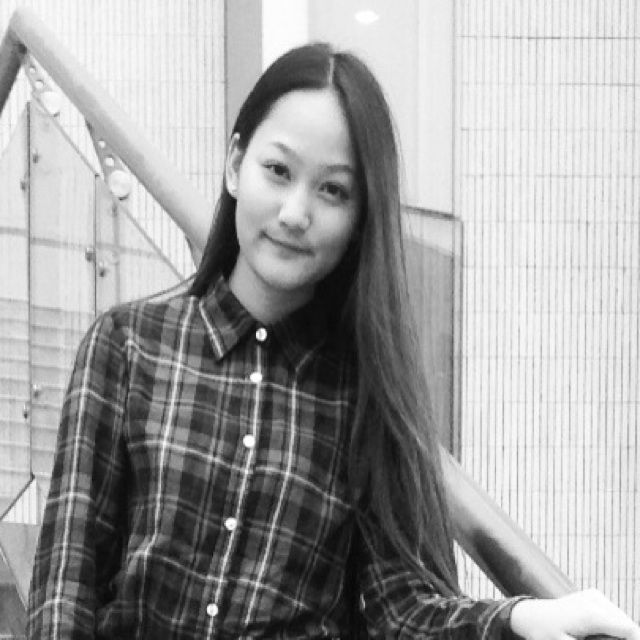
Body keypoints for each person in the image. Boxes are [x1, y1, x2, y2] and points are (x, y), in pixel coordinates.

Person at [27, 42, 639, 640]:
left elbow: (401, 610)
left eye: (333, 191)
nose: (296, 212)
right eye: (278, 171)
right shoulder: (127, 346)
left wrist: (519, 618)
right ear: (235, 164)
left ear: (358, 220)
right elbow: (65, 587)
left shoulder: (367, 396)